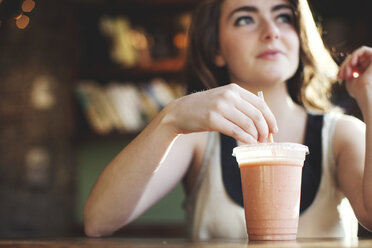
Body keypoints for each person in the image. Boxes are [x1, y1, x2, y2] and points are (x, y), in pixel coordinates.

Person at [83, 0, 372, 239]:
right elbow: (98, 221)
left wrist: (370, 98)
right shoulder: (196, 139)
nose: (271, 31)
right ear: (216, 49)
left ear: (299, 36)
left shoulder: (341, 134)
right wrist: (170, 118)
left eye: (283, 16)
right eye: (245, 19)